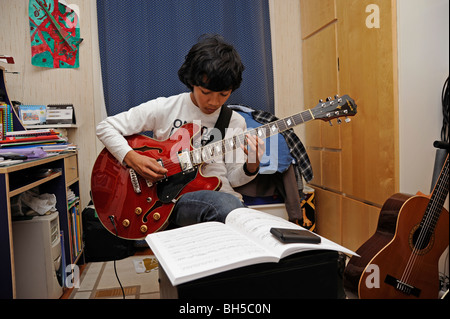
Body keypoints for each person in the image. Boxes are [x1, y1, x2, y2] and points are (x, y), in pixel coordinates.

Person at [96, 34, 265, 228]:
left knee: (246, 220)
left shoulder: (235, 121)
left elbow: (233, 179)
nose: (214, 102)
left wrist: (252, 165)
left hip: (226, 200)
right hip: (177, 201)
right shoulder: (166, 108)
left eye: (223, 94)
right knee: (227, 206)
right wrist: (133, 158)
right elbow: (105, 127)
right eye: (206, 92)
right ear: (192, 81)